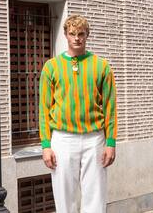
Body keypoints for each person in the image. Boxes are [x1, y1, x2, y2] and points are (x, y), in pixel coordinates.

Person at [39, 14, 118, 213]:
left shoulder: (102, 66)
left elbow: (110, 106)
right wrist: (46, 145)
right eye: (72, 34)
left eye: (81, 34)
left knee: (96, 196)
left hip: (94, 139)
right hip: (63, 139)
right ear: (65, 35)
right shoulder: (51, 67)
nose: (77, 38)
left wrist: (110, 142)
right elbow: (44, 109)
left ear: (87, 35)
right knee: (64, 197)